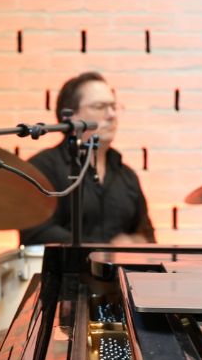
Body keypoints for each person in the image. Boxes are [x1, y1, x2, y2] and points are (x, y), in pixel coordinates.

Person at [19, 71, 155, 246]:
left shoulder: (127, 175)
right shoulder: (43, 167)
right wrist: (105, 252)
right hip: (64, 272)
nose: (112, 114)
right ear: (70, 116)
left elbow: (148, 236)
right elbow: (36, 234)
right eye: (100, 106)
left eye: (114, 106)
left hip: (119, 273)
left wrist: (135, 241)